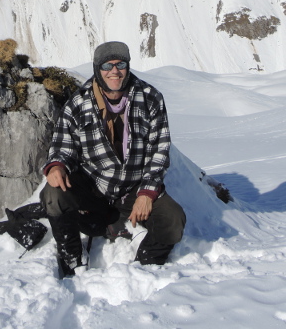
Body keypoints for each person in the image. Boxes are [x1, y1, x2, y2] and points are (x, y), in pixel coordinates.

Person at [40, 40, 186, 275]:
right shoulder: (78, 103)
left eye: (121, 64)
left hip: (134, 189)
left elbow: (159, 150)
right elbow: (62, 145)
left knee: (173, 219)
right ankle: (71, 258)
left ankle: (145, 267)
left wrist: (147, 192)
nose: (114, 71)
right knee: (53, 194)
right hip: (95, 187)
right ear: (97, 69)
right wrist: (57, 165)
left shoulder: (150, 98)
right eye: (107, 65)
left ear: (128, 66)